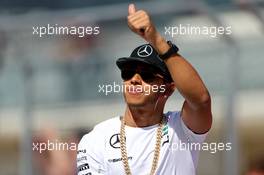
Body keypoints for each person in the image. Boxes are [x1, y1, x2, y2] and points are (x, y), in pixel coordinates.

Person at [77, 3, 212, 175]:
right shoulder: (96, 139)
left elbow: (201, 100)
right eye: (128, 72)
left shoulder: (181, 129)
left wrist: (155, 38)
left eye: (147, 75)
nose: (134, 80)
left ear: (168, 89)